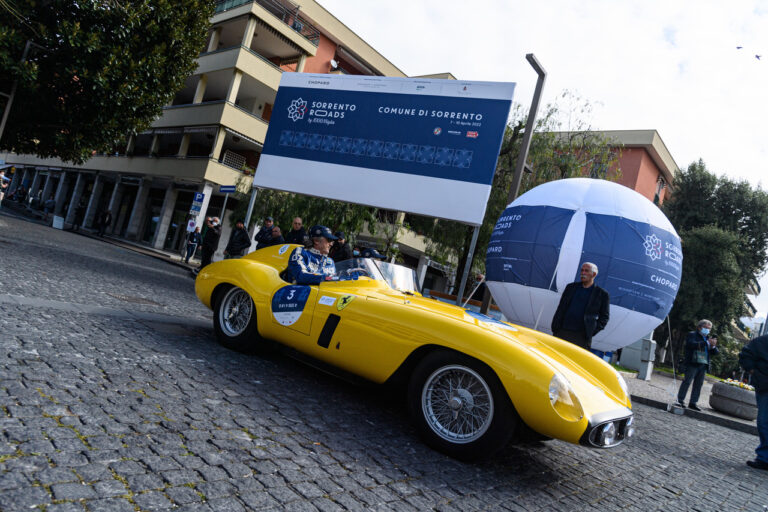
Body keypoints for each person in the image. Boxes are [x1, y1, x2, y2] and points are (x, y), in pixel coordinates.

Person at [550, 262, 610, 350]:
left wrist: (591, 331)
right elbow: (561, 308)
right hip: (562, 332)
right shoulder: (570, 288)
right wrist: (555, 327)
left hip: (581, 337)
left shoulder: (602, 294)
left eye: (586, 271)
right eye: (582, 270)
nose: (583, 273)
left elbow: (604, 317)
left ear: (594, 274)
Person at [739, 334, 768, 471]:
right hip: (765, 385)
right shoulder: (762, 341)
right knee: (764, 421)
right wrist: (754, 372)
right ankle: (764, 458)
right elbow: (746, 354)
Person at [676, 320, 719, 411]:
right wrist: (706, 343)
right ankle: (680, 400)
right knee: (687, 381)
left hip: (703, 364)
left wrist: (713, 346)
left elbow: (715, 353)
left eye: (709, 329)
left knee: (698, 384)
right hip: (693, 362)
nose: (707, 330)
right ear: (699, 327)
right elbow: (691, 345)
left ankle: (693, 402)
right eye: (706, 328)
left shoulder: (708, 338)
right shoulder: (693, 335)